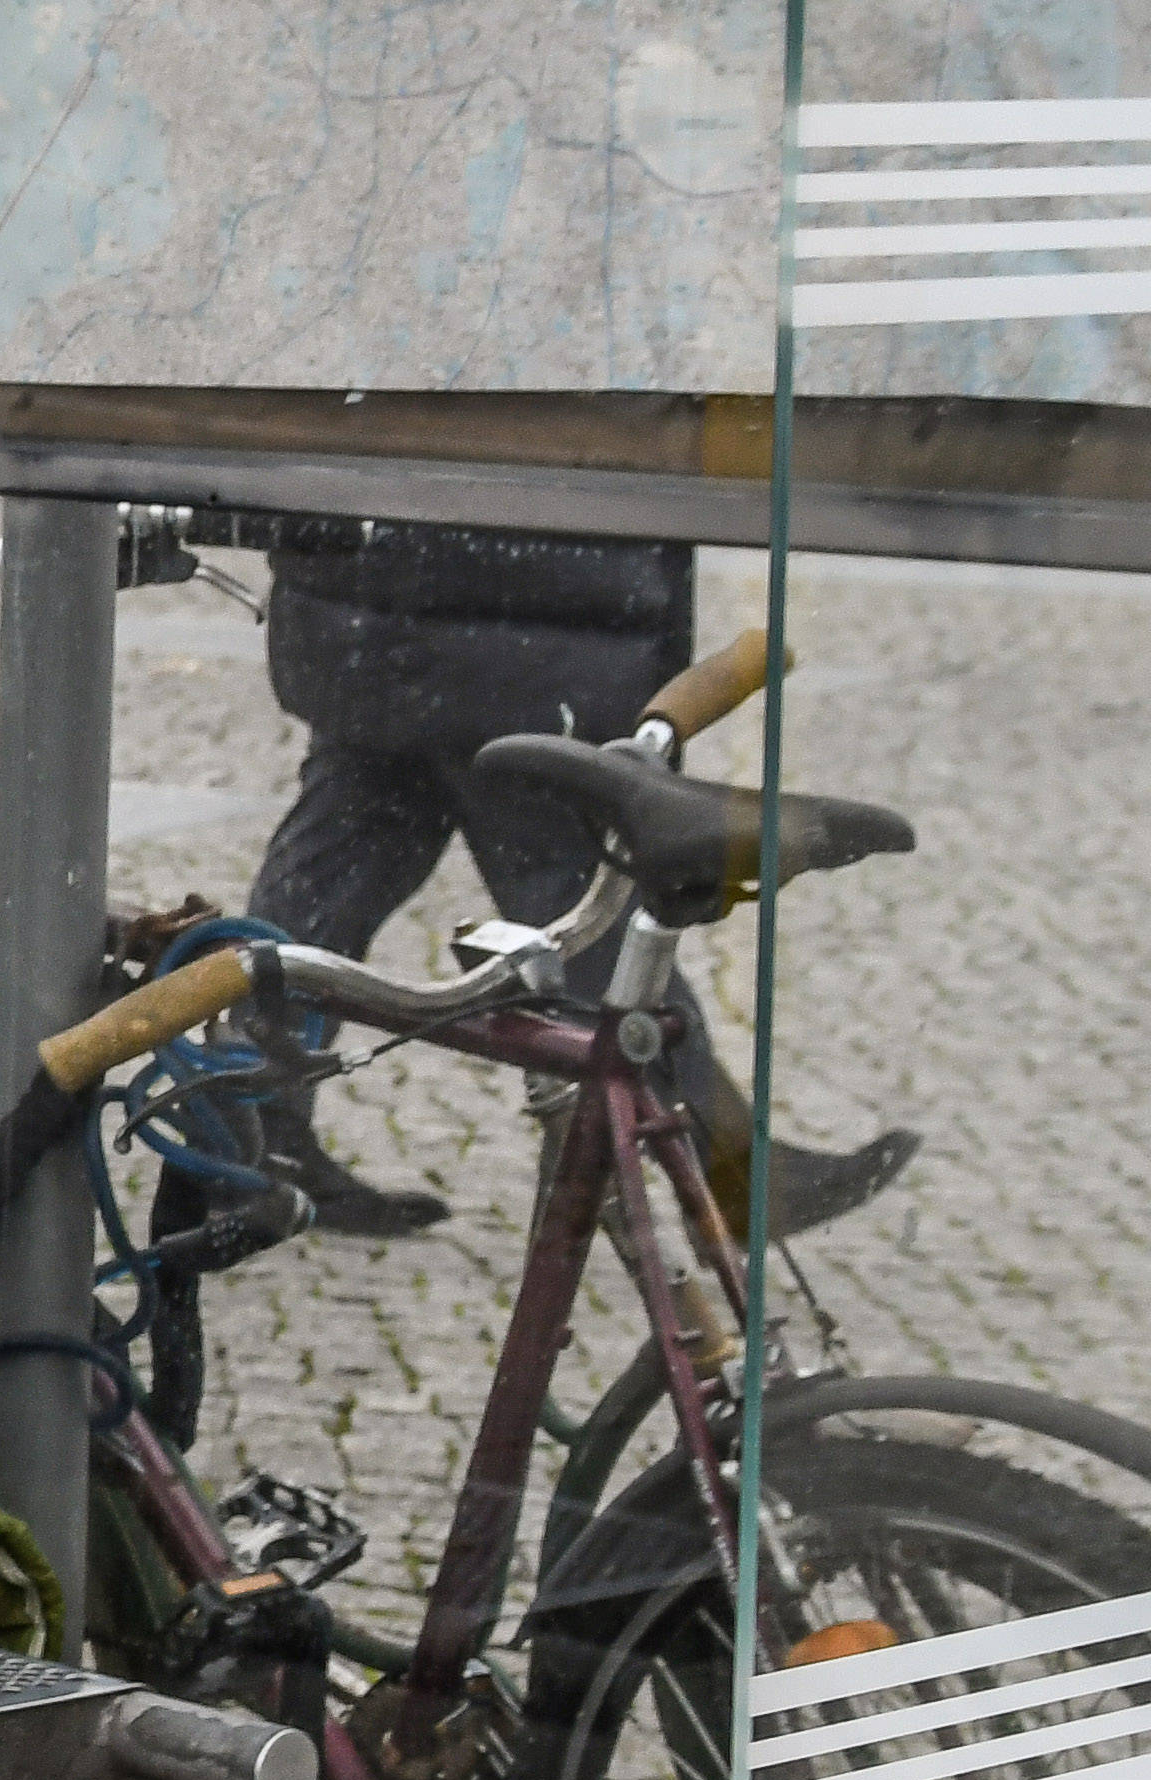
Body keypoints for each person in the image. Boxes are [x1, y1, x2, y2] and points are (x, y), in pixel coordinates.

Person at [237, 515, 914, 1242]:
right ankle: (733, 1168)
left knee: (344, 862)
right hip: (499, 620)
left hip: (400, 605)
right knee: (578, 895)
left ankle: (241, 1145)